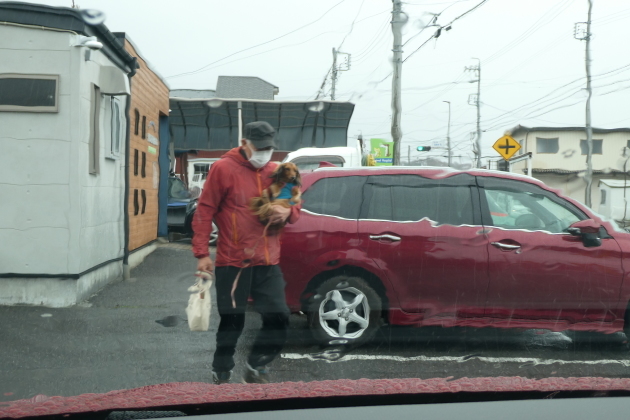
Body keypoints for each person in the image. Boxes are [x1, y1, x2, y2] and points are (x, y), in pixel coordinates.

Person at [191, 121, 301, 385]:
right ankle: (222, 369)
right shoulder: (223, 168)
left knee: (279, 317)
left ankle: (256, 365)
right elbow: (204, 211)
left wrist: (288, 212)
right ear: (244, 144)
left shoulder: (279, 172)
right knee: (232, 321)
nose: (264, 153)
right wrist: (202, 254)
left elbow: (295, 208)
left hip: (267, 261)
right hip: (233, 262)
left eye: (268, 148)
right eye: (259, 148)